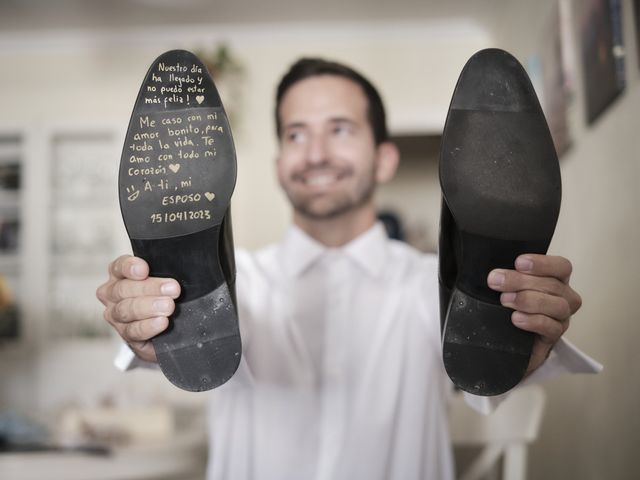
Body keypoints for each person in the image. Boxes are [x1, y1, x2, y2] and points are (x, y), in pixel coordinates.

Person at [97, 58, 597, 479]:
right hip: (222, 296)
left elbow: (483, 379)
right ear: (277, 166)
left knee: (477, 305)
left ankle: (495, 291)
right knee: (197, 300)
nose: (315, 154)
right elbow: (185, 350)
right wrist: (151, 324)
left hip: (452, 295)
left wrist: (527, 339)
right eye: (296, 135)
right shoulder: (242, 286)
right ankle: (178, 290)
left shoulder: (426, 286)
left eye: (339, 129)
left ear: (384, 159)